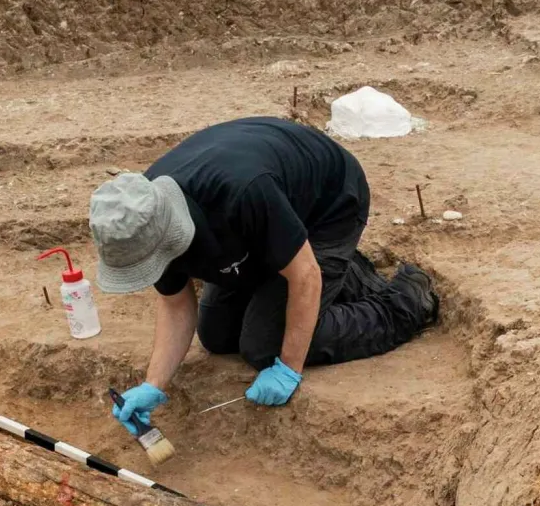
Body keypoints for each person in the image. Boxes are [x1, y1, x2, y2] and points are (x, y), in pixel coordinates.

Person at [88, 116, 438, 435]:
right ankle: (332, 269)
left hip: (327, 204)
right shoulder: (140, 219)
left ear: (170, 235)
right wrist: (154, 385)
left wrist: (289, 368)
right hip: (262, 219)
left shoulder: (238, 193)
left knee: (262, 346)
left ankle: (405, 300)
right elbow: (176, 306)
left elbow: (304, 275)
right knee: (216, 335)